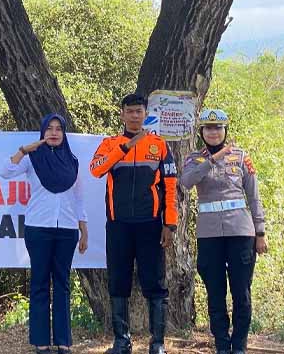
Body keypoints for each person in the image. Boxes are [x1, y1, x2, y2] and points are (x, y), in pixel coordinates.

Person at [89, 93, 178, 354]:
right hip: (119, 225)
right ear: (122, 114)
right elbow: (96, 169)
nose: (135, 116)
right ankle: (122, 341)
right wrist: (126, 147)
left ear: (145, 113)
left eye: (139, 111)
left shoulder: (159, 145)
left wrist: (169, 224)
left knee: (155, 282)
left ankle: (158, 342)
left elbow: (170, 186)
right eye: (130, 111)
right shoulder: (110, 143)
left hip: (150, 224)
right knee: (118, 281)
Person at [180, 109, 267, 354]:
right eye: (209, 128)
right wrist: (213, 158)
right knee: (215, 293)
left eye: (218, 127)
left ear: (225, 130)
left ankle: (239, 345)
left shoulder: (240, 157)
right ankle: (222, 345)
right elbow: (185, 183)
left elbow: (254, 196)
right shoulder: (195, 159)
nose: (214, 132)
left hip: (240, 231)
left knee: (242, 292)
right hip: (209, 236)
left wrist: (260, 232)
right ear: (202, 132)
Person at [0, 114, 88, 354]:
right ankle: (41, 342)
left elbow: (78, 198)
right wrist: (23, 150)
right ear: (42, 132)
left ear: (64, 133)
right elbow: (5, 172)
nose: (54, 133)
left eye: (59, 129)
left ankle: (63, 342)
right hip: (38, 228)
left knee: (63, 285)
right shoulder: (32, 159)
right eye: (49, 128)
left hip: (67, 229)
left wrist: (84, 229)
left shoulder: (72, 161)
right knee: (39, 283)